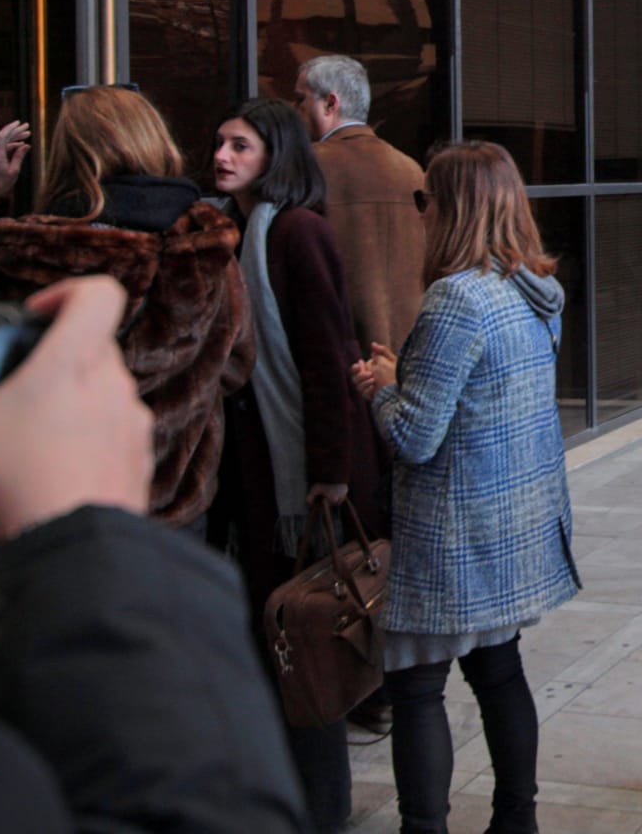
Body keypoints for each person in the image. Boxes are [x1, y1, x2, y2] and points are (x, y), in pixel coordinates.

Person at [0, 275, 306, 832]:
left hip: (23, 500)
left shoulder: (6, 242)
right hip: (124, 508)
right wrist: (92, 528)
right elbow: (239, 363)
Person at [351, 140, 578, 834]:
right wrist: (409, 379)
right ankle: (517, 820)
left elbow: (415, 437)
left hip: (454, 532)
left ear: (452, 209)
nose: (420, 212)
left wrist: (383, 387)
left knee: (417, 688)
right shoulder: (536, 289)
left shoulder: (457, 297)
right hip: (512, 520)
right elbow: (483, 398)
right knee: (498, 671)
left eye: (426, 200)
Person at [0, 85, 252, 529]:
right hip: (170, 510)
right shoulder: (207, 250)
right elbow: (236, 364)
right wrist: (177, 398)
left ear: (67, 158)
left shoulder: (28, 250)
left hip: (48, 508)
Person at [209, 97, 388, 834]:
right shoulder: (242, 232)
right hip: (261, 474)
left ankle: (319, 806)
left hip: (305, 478)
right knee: (272, 633)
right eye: (219, 143)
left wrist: (331, 469)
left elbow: (326, 357)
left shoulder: (295, 232)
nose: (221, 155)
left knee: (303, 640)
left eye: (240, 146)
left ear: (274, 155)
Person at [294, 54, 426, 356]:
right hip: (408, 354)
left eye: (299, 99)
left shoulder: (306, 168)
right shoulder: (411, 169)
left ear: (330, 103)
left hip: (340, 355)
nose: (295, 110)